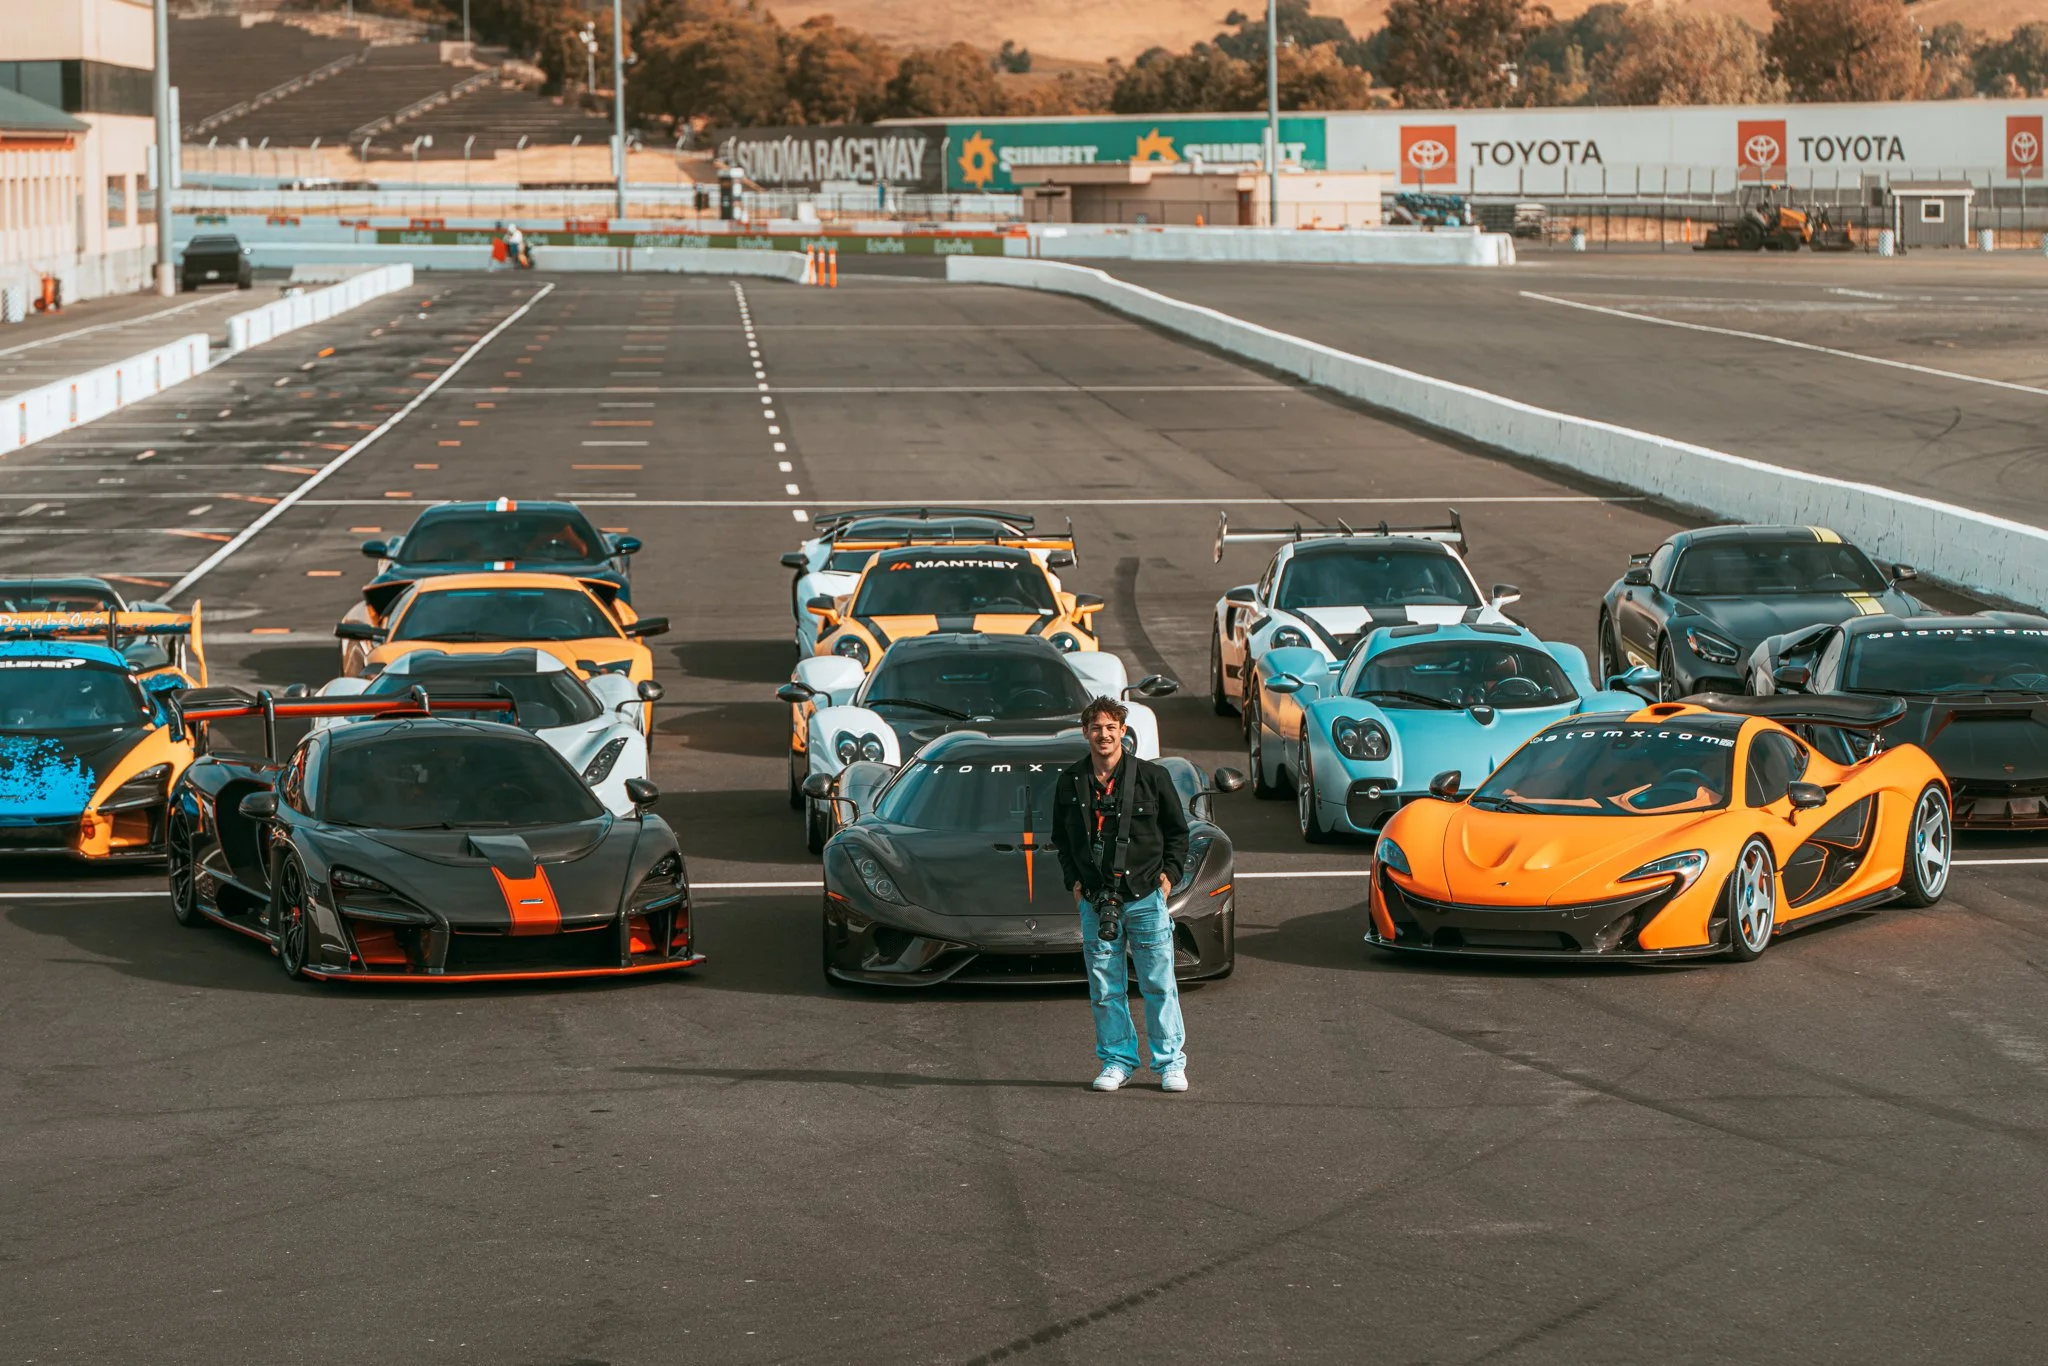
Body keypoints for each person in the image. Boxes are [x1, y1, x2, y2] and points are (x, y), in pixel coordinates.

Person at [1053, 696, 1192, 1094]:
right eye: (1097, 728)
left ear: (1123, 732)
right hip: (1095, 900)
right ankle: (1117, 1061)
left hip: (1146, 896)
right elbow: (1061, 839)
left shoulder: (1152, 777)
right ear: (1085, 732)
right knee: (1104, 989)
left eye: (1111, 727)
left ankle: (1170, 1063)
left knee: (1158, 984)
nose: (1104, 735)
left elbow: (1178, 833)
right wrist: (1073, 881)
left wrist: (1169, 877)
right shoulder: (1070, 781)